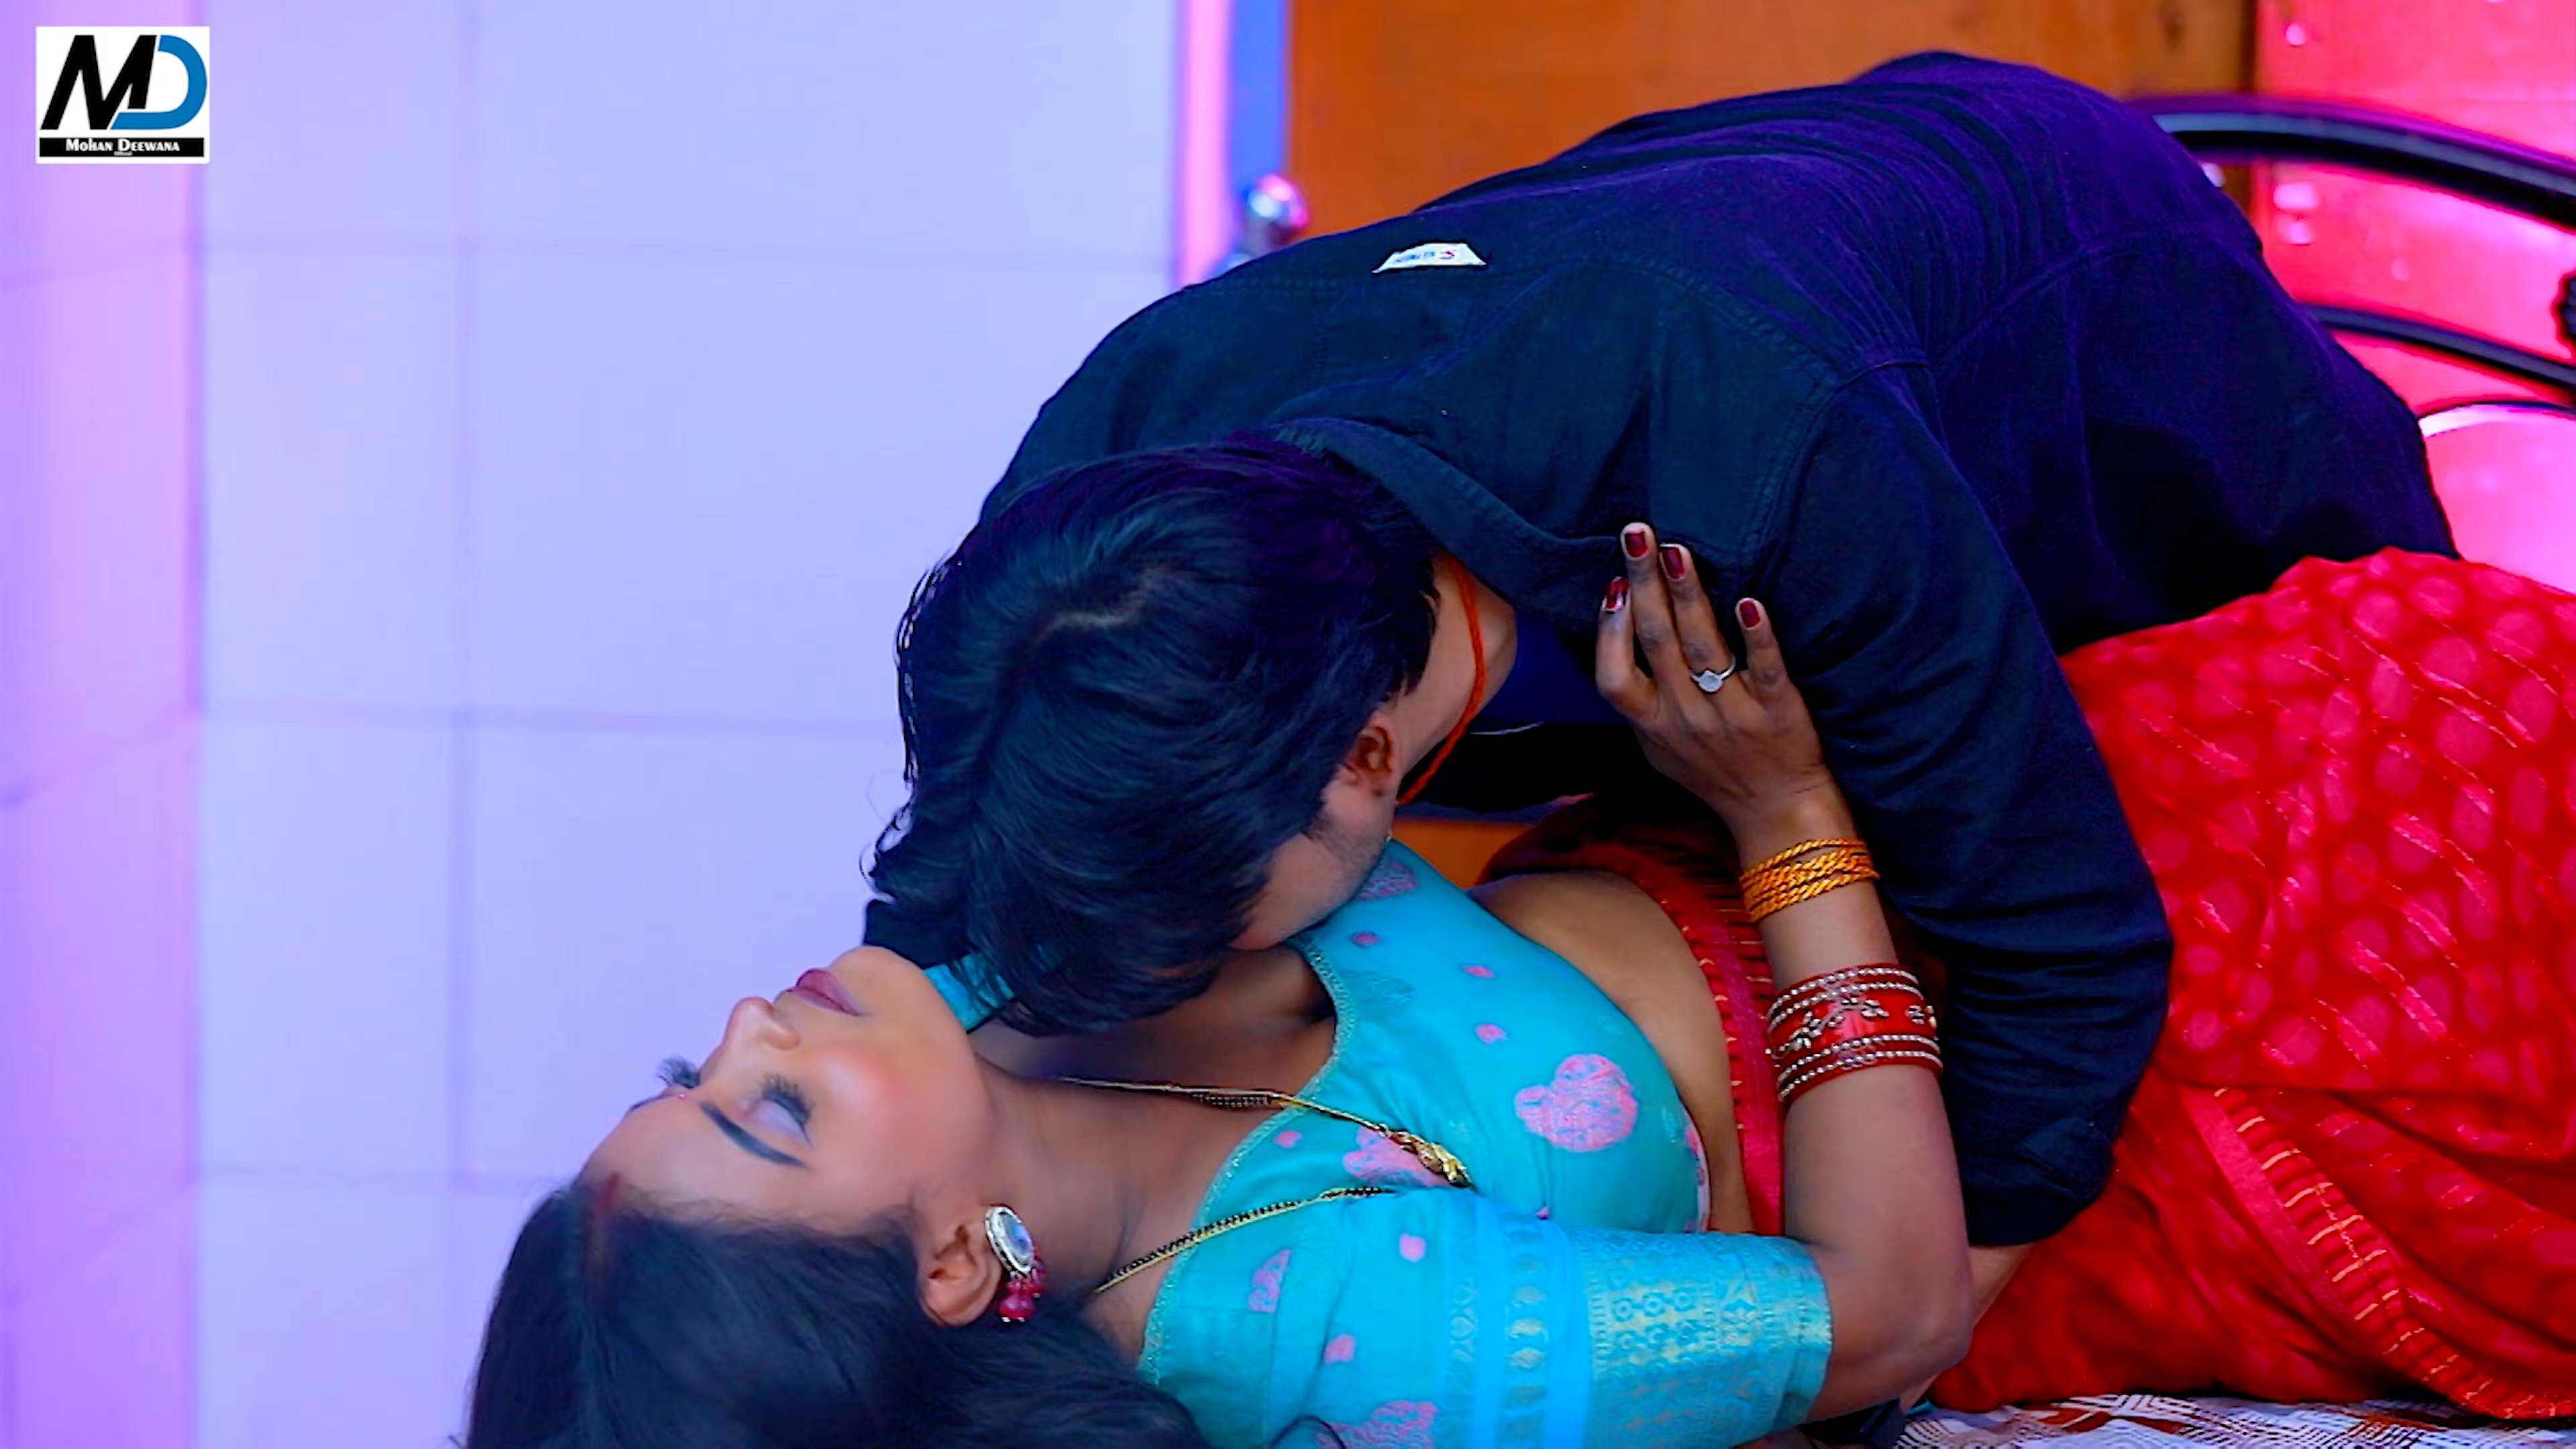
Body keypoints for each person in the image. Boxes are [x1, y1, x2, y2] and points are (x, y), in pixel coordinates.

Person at [865, 54, 2457, 1279]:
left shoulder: (1763, 466)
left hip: (2078, 290)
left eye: (1202, 936)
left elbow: (2067, 954)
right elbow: (952, 907)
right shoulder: (1092, 513)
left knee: (2366, 847)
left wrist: (1894, 1342)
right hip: (1685, 248)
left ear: (1366, 763)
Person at [467, 549, 2576, 1447]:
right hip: (2101, 1117)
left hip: (1979, 837)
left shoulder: (992, 963)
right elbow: (1892, 1315)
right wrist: (1788, 825)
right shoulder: (1350, 1349)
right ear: (951, 1266)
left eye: (692, 1063)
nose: (759, 1021)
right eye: (766, 1113)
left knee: (2415, 682)